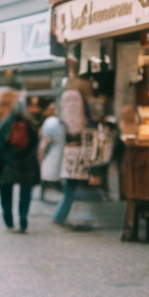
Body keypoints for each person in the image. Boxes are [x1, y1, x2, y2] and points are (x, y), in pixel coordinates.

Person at [51, 83, 94, 227]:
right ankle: (60, 216)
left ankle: (60, 215)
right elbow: (91, 126)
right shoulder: (83, 107)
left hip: (66, 152)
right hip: (79, 153)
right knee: (71, 188)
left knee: (69, 187)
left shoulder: (62, 105)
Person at [0, 96, 39, 232]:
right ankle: (23, 219)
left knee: (6, 192)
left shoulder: (6, 123)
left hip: (9, 163)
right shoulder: (30, 123)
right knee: (25, 193)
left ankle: (9, 221)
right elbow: (35, 143)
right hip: (26, 163)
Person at [37, 103, 65, 202]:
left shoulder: (50, 122)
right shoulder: (57, 123)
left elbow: (44, 141)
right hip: (55, 152)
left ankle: (44, 194)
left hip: (50, 152)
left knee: (46, 174)